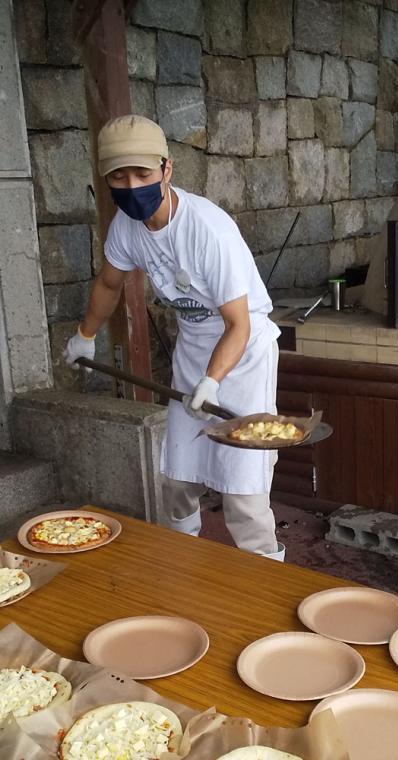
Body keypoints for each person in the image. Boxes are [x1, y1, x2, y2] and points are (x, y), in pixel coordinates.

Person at [64, 114, 283, 559]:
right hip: (194, 345)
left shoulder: (208, 231)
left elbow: (238, 324)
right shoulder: (127, 227)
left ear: (167, 169)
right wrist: (84, 335)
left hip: (244, 354)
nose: (131, 186)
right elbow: (109, 284)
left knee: (243, 489)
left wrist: (213, 381)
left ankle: (268, 574)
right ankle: (182, 563)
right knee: (178, 478)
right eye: (118, 177)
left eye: (142, 174)